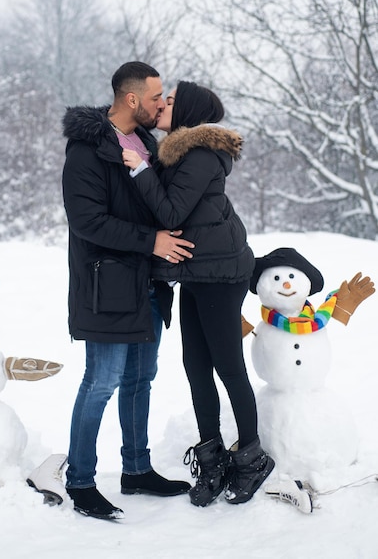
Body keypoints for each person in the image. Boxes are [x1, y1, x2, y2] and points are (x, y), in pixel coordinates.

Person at [122, 80, 275, 508]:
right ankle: (213, 459)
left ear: (186, 109)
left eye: (169, 100)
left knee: (228, 367)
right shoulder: (176, 152)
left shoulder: (201, 155)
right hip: (196, 272)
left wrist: (139, 169)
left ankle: (251, 457)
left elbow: (170, 210)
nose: (162, 105)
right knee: (195, 366)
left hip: (221, 275)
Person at [61, 62, 194, 520]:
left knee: (140, 380)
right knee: (101, 382)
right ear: (132, 98)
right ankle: (80, 481)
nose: (162, 104)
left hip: (148, 284)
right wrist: (150, 240)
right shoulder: (88, 150)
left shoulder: (148, 146)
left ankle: (136, 471)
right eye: (156, 96)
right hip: (107, 286)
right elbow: (87, 222)